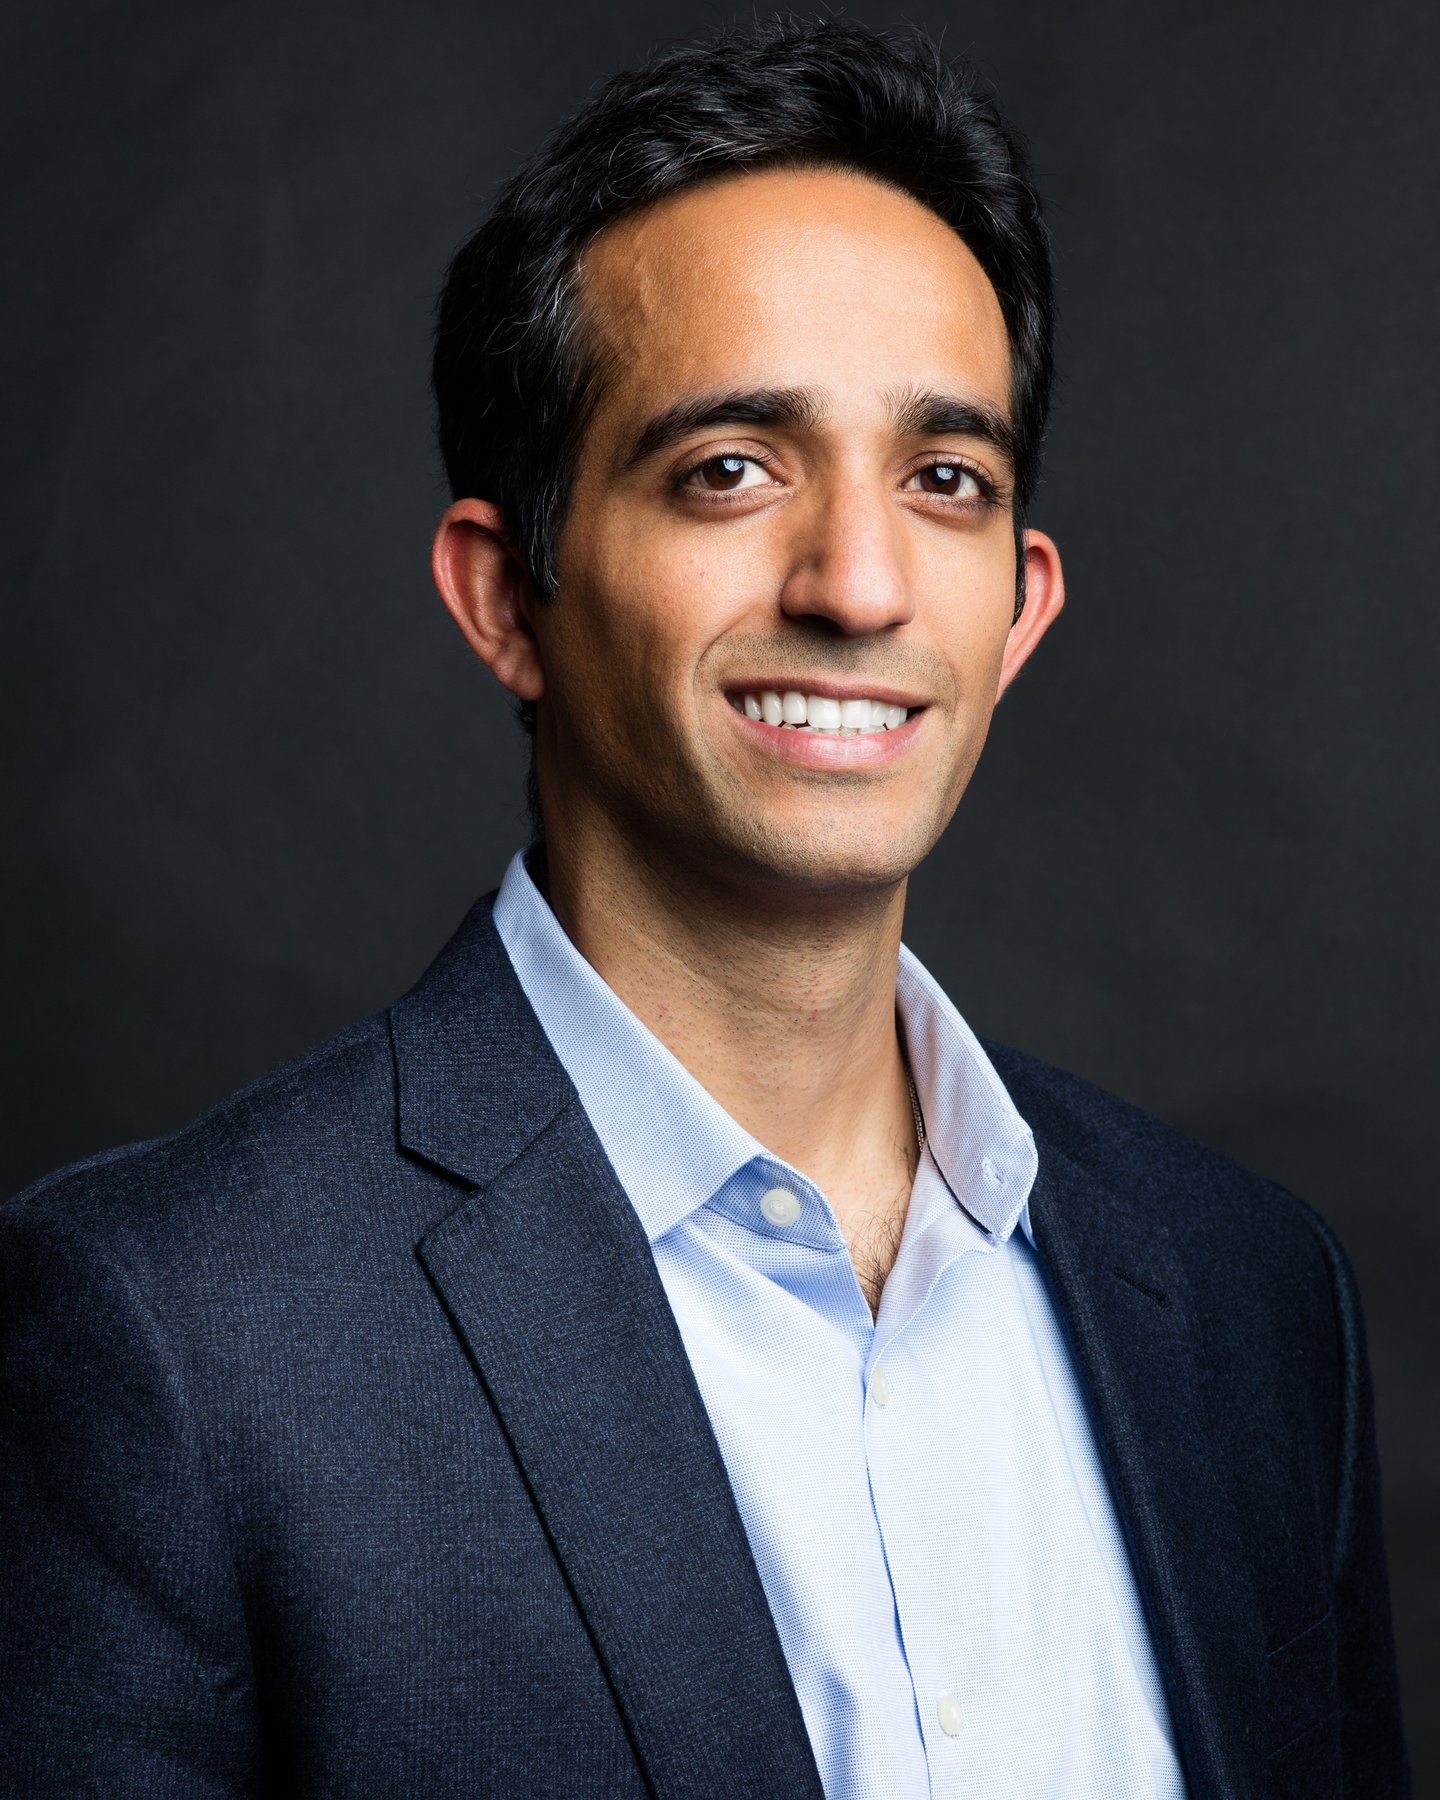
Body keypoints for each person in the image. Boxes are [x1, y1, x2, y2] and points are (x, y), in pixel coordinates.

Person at [0, 17, 1408, 1799]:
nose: (861, 581)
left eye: (946, 480)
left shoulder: (1250, 1299)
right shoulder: (172, 1343)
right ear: (508, 596)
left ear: (1021, 614)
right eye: (732, 468)